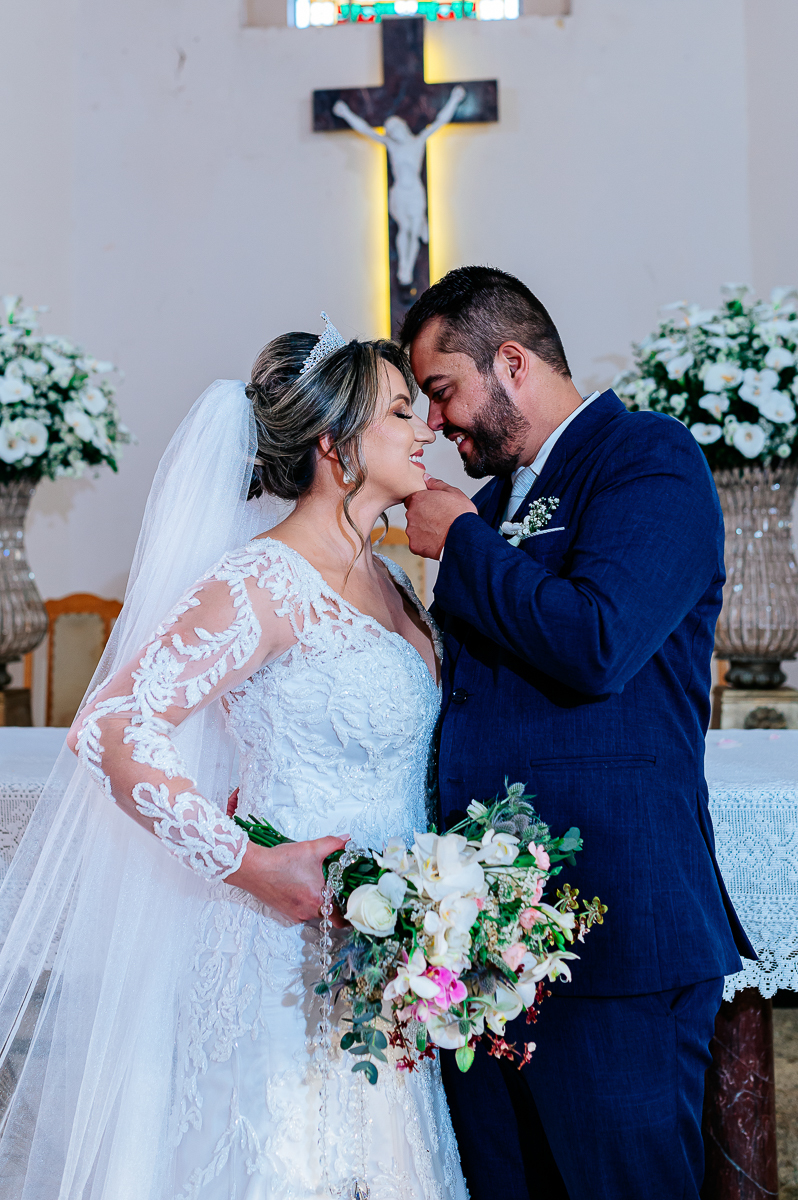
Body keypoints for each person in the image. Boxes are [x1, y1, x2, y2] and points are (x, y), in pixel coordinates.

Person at [0, 318, 468, 1200]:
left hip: (382, 969)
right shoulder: (266, 581)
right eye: (402, 411)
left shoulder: (391, 578)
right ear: (336, 446)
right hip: (281, 959)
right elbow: (109, 726)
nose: (427, 429)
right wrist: (249, 865)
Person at [400, 266, 755, 1200]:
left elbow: (598, 642)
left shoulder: (648, 458)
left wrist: (464, 547)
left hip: (614, 928)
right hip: (487, 945)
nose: (435, 424)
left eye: (442, 391)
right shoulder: (486, 506)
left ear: (510, 362)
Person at [333, 88, 465, 288]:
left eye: (395, 128)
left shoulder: (418, 142)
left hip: (414, 193)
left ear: (403, 127)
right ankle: (404, 267)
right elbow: (366, 130)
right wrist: (346, 113)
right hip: (399, 194)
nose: (393, 133)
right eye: (390, 131)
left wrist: (454, 100)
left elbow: (440, 122)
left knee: (411, 229)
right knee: (405, 228)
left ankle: (410, 260)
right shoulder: (391, 145)